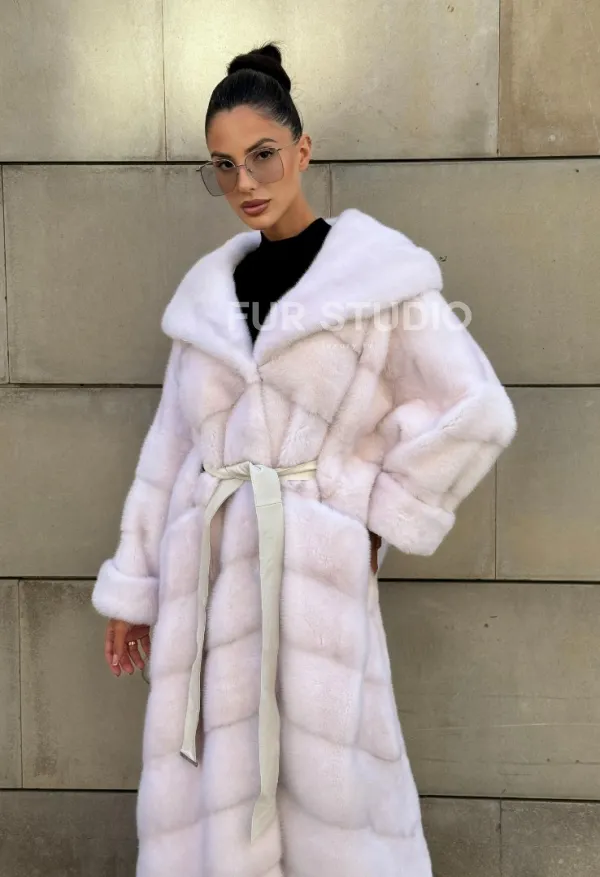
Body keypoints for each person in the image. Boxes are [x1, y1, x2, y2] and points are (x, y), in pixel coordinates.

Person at [92, 41, 517, 877]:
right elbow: (169, 451)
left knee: (331, 803)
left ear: (302, 149)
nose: (246, 183)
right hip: (208, 593)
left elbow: (478, 411)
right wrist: (134, 587)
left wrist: (368, 513)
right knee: (214, 805)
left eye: (263, 156)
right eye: (224, 166)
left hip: (314, 587)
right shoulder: (205, 302)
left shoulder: (376, 281)